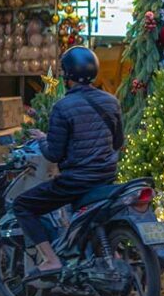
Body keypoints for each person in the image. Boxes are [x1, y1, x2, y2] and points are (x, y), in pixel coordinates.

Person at [14, 46, 124, 280]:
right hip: (106, 178)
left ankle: (51, 259)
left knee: (23, 205)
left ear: (66, 75)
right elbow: (118, 142)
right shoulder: (111, 102)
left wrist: (44, 139)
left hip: (76, 181)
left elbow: (53, 154)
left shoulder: (62, 107)